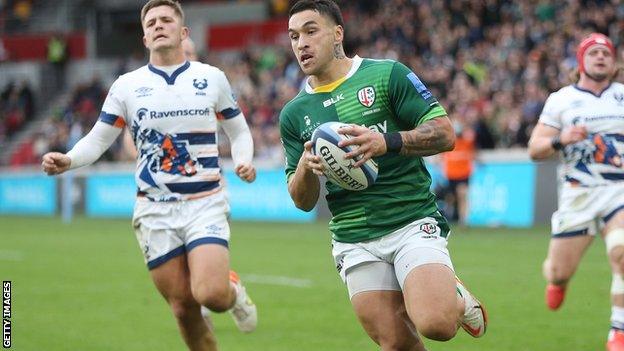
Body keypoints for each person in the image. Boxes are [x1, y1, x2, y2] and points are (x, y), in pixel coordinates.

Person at [41, 1, 257, 350]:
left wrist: (244, 159)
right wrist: (68, 159)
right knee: (183, 307)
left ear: (183, 32)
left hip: (204, 203)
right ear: (144, 37)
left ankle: (233, 293)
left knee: (211, 294)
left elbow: (240, 132)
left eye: (166, 20)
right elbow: (99, 138)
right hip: (154, 211)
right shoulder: (126, 86)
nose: (159, 25)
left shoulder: (211, 78)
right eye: (152, 22)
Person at [279, 1, 487, 350]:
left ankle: (455, 296)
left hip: (409, 220)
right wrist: (304, 166)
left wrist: (385, 141)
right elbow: (301, 201)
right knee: (396, 344)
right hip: (353, 236)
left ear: (337, 34)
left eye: (311, 31)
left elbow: (444, 133)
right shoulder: (294, 114)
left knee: (437, 324)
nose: (301, 43)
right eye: (294, 36)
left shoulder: (386, 75)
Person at [528, 32, 624, 351]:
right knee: (557, 271)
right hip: (578, 195)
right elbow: (535, 149)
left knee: (621, 252)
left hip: (618, 190)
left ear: (614, 63)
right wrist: (561, 139)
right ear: (581, 60)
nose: (600, 57)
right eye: (593, 52)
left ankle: (618, 330)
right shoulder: (562, 99)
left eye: (606, 53)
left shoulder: (622, 96)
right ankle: (558, 281)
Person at [442, 120, 476, 225]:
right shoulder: (449, 143)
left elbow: (473, 136)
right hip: (451, 175)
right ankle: (448, 216)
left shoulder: (467, 142)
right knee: (450, 198)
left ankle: (463, 220)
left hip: (463, 174)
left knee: (462, 195)